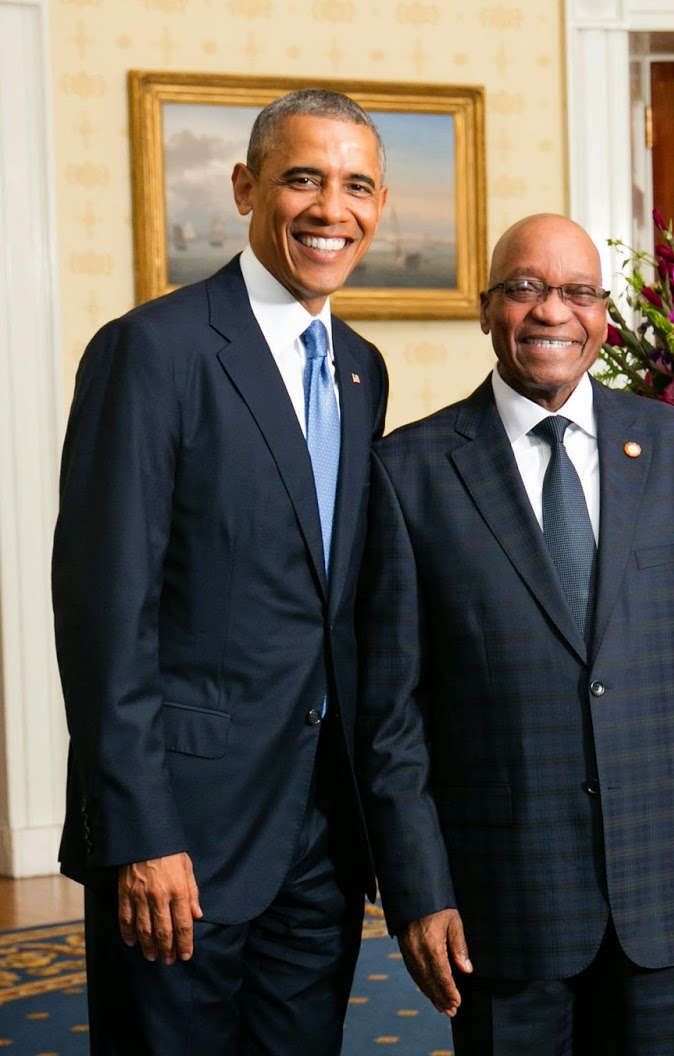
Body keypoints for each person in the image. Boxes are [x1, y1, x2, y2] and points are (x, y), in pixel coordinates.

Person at [354, 213, 674, 1055]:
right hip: (501, 895)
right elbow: (391, 715)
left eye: (577, 292)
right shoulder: (408, 472)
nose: (551, 312)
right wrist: (420, 890)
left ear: (604, 315)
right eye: (525, 288)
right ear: (486, 307)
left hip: (668, 880)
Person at [52, 89, 390, 1052]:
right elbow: (105, 614)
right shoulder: (151, 351)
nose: (331, 209)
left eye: (356, 186)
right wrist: (140, 832)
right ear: (246, 188)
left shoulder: (361, 367)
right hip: (182, 831)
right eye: (302, 179)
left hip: (319, 835)